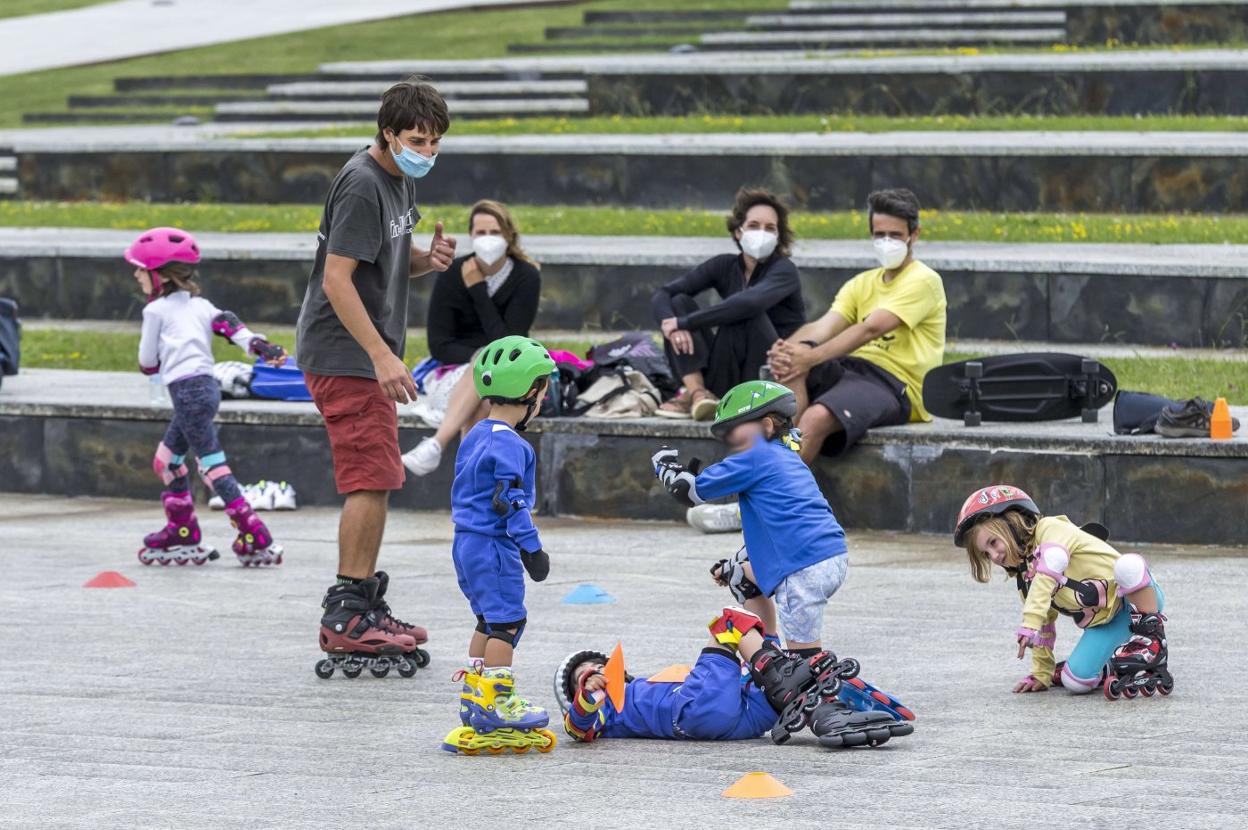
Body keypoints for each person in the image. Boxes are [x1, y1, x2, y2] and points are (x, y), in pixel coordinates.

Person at [297, 79, 456, 677]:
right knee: (371, 476)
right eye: (418, 139)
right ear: (387, 132)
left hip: (361, 352)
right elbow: (338, 279)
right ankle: (346, 612)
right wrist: (382, 357)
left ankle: (360, 599)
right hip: (346, 355)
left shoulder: (399, 177)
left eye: (436, 142)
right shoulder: (364, 184)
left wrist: (426, 262)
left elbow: (384, 260)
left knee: (379, 475)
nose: (428, 151)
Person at [652, 381, 849, 665]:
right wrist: (736, 560)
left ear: (766, 427)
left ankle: (805, 685)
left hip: (802, 568)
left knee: (805, 663)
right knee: (738, 574)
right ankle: (769, 654)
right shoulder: (787, 457)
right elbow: (778, 529)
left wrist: (664, 466)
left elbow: (689, 491)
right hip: (829, 556)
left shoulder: (755, 458)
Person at [128, 227, 286, 567]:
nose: (136, 273)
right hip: (207, 390)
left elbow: (146, 362)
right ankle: (182, 531)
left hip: (186, 393)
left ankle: (253, 532)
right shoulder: (201, 306)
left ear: (159, 275)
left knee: (211, 466)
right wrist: (261, 347)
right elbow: (231, 327)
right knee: (167, 462)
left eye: (141, 268)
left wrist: (156, 364)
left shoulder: (154, 312)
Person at [554, 606, 913, 748]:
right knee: (728, 623)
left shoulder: (645, 683)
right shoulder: (609, 709)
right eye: (581, 678)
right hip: (690, 714)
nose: (594, 675)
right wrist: (587, 696)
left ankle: (827, 715)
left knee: (784, 684)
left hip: (738, 723)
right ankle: (782, 676)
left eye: (596, 666)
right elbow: (576, 729)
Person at [441, 335, 558, 755]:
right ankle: (498, 702)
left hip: (464, 543)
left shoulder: (475, 433)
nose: (543, 398)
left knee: (486, 622)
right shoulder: (513, 444)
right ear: (530, 392)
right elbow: (509, 501)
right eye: (543, 390)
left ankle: (476, 694)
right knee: (507, 623)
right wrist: (532, 550)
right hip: (493, 547)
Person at [768, 188, 946, 462]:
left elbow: (871, 329)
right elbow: (822, 327)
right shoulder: (861, 283)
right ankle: (774, 478)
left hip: (895, 384)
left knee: (816, 417)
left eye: (895, 235)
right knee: (790, 371)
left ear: (915, 234)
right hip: (851, 370)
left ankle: (771, 498)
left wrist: (811, 357)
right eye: (880, 235)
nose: (886, 242)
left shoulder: (924, 280)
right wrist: (787, 351)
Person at [953, 485, 1173, 699]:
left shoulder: (1049, 529)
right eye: (986, 554)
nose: (994, 556)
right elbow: (1044, 627)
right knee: (1075, 681)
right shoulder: (1027, 579)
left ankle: (1151, 641)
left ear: (1012, 522)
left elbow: (1051, 567)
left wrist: (1028, 621)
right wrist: (1042, 673)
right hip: (1108, 622)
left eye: (993, 543)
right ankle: (1113, 667)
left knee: (1127, 565)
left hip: (1138, 598)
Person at [402, 199, 541, 477]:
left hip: (504, 375)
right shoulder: (452, 273)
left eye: (495, 233)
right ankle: (474, 486)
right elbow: (439, 345)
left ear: (509, 236)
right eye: (481, 233)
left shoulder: (526, 276)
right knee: (486, 380)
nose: (488, 240)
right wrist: (479, 357)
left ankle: (438, 446)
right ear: (470, 235)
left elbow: (510, 344)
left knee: (488, 383)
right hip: (453, 373)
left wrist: (478, 290)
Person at [652, 188, 806, 422]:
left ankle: (712, 397)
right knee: (679, 302)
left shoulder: (784, 270)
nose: (762, 233)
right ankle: (698, 394)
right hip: (732, 364)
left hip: (772, 371)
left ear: (778, 237)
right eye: (754, 226)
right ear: (738, 231)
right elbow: (664, 293)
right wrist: (673, 324)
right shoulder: (725, 265)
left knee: (743, 313)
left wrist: (686, 322)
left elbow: (749, 304)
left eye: (770, 228)